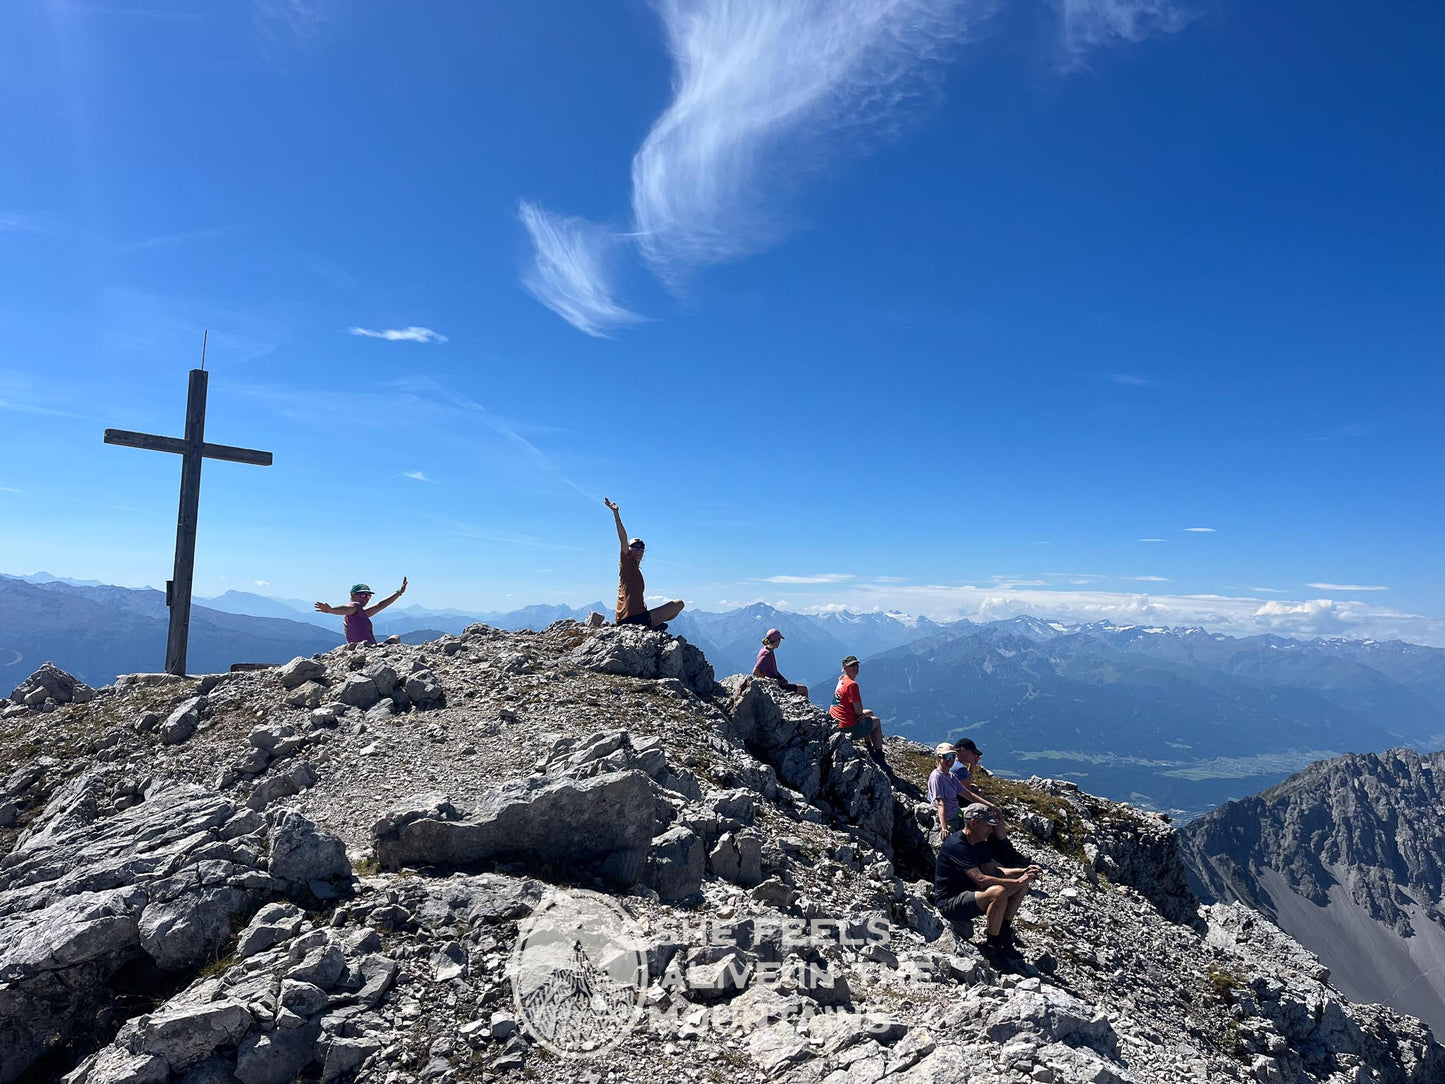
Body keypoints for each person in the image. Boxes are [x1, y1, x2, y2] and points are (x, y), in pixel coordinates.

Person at [933, 803, 1043, 966]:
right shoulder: (957, 845)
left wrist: (1023, 872)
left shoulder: (978, 842)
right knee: (997, 893)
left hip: (970, 894)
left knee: (1021, 885)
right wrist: (1017, 880)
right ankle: (992, 947)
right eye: (987, 825)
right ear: (973, 822)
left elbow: (993, 871)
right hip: (950, 903)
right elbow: (981, 879)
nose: (991, 831)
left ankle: (1003, 935)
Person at [604, 498, 684, 631]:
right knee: (679, 604)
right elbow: (623, 539)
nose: (638, 549)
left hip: (630, 617)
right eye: (634, 547)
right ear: (628, 550)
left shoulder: (634, 569)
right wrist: (616, 514)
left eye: (641, 547)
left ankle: (653, 624)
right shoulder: (626, 564)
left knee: (674, 610)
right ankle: (652, 626)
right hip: (633, 619)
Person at [951, 737, 1027, 864]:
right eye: (972, 752)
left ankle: (998, 847)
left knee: (983, 797)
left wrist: (972, 765)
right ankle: (1006, 852)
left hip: (953, 800)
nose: (974, 755)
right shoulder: (959, 768)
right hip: (957, 804)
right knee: (993, 815)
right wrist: (991, 805)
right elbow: (967, 791)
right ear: (963, 751)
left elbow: (964, 785)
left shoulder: (951, 764)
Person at [314, 579, 407, 645]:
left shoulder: (361, 613)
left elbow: (380, 605)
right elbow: (346, 609)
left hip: (365, 648)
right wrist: (331, 610)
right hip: (365, 649)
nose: (366, 598)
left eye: (368, 596)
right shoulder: (354, 606)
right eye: (362, 595)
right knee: (395, 638)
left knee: (395, 637)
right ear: (353, 595)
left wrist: (399, 593)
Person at [829, 655, 886, 764]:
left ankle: (868, 744)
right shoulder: (852, 685)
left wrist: (861, 715)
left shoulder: (841, 679)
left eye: (856, 665)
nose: (855, 668)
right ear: (845, 668)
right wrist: (860, 716)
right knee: (876, 721)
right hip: (846, 728)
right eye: (851, 666)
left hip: (835, 721)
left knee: (869, 713)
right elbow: (858, 709)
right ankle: (879, 754)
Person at [928, 742, 970, 838]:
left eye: (953, 756)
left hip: (957, 813)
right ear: (939, 758)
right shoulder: (937, 777)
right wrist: (944, 828)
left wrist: (990, 805)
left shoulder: (950, 775)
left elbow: (967, 794)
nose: (951, 760)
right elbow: (940, 803)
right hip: (950, 819)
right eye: (947, 756)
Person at [753, 628, 807, 697]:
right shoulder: (767, 654)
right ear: (777, 640)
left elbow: (772, 670)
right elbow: (755, 671)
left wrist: (782, 678)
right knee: (803, 689)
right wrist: (769, 681)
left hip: (776, 682)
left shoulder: (765, 649)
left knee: (801, 688)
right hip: (775, 686)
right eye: (779, 640)